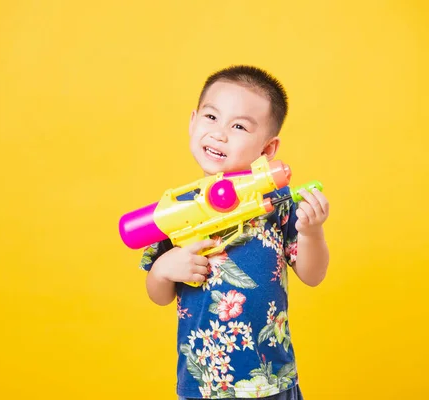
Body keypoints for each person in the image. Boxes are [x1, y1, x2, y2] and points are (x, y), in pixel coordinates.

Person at [139, 65, 329, 399]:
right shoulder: (174, 210)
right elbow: (159, 294)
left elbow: (312, 275)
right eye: (211, 118)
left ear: (268, 149)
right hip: (203, 386)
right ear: (192, 121)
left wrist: (312, 232)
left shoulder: (278, 202)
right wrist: (163, 269)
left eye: (238, 126)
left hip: (272, 381)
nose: (219, 134)